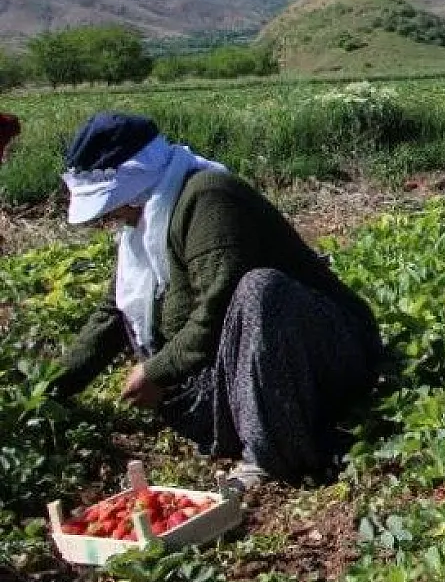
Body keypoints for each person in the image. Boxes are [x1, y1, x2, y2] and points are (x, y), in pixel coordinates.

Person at [51, 113, 383, 489]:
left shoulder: (207, 197)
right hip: (251, 365)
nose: (108, 217)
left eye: (111, 203)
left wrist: (159, 371)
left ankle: (273, 456)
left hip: (326, 355)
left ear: (136, 183)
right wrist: (49, 388)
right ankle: (252, 424)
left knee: (260, 289)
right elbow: (112, 315)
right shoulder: (142, 227)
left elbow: (217, 304)